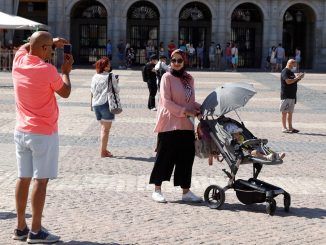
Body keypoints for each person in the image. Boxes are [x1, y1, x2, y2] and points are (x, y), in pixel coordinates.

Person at [12, 31, 73, 243]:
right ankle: (36, 231)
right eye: (50, 49)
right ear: (45, 49)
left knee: (23, 177)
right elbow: (65, 92)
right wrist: (66, 71)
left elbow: (28, 46)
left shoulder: (18, 61)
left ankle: (21, 227)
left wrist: (51, 42)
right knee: (41, 180)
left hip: (21, 131)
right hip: (43, 133)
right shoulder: (47, 70)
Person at [149, 49, 202, 203]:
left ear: (185, 61)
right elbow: (165, 101)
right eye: (174, 60)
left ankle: (186, 191)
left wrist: (201, 108)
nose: (176, 63)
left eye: (180, 60)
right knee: (164, 157)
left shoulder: (189, 79)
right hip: (169, 124)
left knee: (186, 158)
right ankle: (157, 190)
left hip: (186, 125)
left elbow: (190, 101)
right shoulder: (167, 77)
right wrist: (185, 111)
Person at [91, 57, 119, 157]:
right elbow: (116, 90)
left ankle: (104, 149)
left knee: (103, 128)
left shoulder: (95, 76)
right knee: (105, 130)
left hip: (96, 105)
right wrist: (116, 81)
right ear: (106, 66)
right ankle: (103, 151)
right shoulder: (111, 76)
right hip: (106, 104)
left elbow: (92, 91)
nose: (110, 65)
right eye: (108, 64)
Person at [280, 59, 304, 133]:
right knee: (284, 112)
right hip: (286, 95)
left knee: (290, 112)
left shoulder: (291, 72)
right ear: (290, 64)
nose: (295, 66)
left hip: (292, 95)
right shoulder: (285, 71)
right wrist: (296, 78)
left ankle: (290, 127)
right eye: (294, 65)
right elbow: (288, 81)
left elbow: (293, 81)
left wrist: (299, 78)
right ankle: (284, 128)